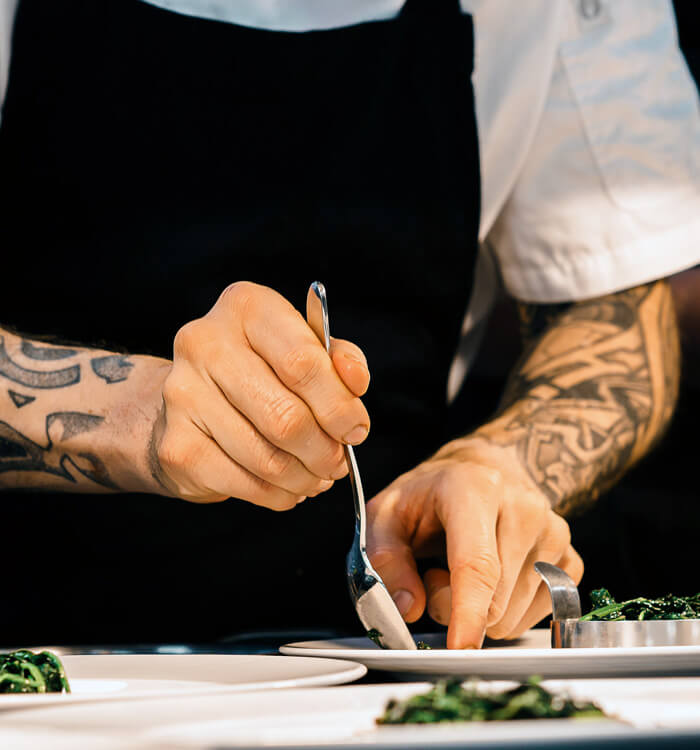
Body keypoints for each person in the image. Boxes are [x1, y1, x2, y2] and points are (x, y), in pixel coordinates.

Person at [0, 0, 698, 649]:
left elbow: (614, 313)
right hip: (41, 650)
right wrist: (134, 413)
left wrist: (501, 465)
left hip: (393, 637)